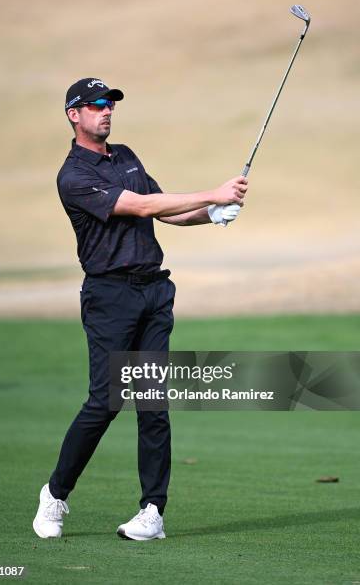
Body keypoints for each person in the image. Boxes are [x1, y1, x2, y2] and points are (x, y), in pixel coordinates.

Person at [32, 77, 248, 541]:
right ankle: (55, 495)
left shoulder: (127, 157)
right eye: (95, 105)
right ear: (74, 114)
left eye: (109, 104)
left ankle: (153, 510)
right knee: (105, 402)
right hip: (110, 298)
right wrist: (213, 194)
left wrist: (209, 215)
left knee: (153, 405)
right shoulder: (74, 176)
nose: (106, 111)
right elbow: (141, 204)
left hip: (153, 292)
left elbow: (164, 210)